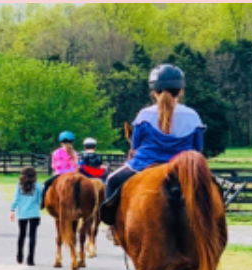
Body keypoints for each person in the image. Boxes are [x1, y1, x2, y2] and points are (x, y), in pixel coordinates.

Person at [100, 64, 206, 226]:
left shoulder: (144, 115)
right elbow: (198, 147)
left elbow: (135, 144)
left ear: (153, 92)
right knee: (212, 189)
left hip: (144, 164)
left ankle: (112, 225)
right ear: (181, 91)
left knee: (112, 180)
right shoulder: (192, 115)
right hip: (182, 168)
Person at [10, 166, 43, 266]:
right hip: (34, 214)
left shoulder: (19, 185)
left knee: (22, 234)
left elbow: (16, 198)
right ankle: (31, 259)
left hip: (22, 214)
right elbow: (40, 201)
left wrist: (12, 209)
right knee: (33, 235)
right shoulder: (38, 186)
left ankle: (19, 256)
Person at [41, 131, 79, 209]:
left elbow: (54, 166)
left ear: (61, 142)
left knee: (46, 184)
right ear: (72, 142)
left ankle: (42, 203)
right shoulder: (75, 153)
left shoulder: (56, 152)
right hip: (72, 175)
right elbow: (76, 166)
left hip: (60, 174)